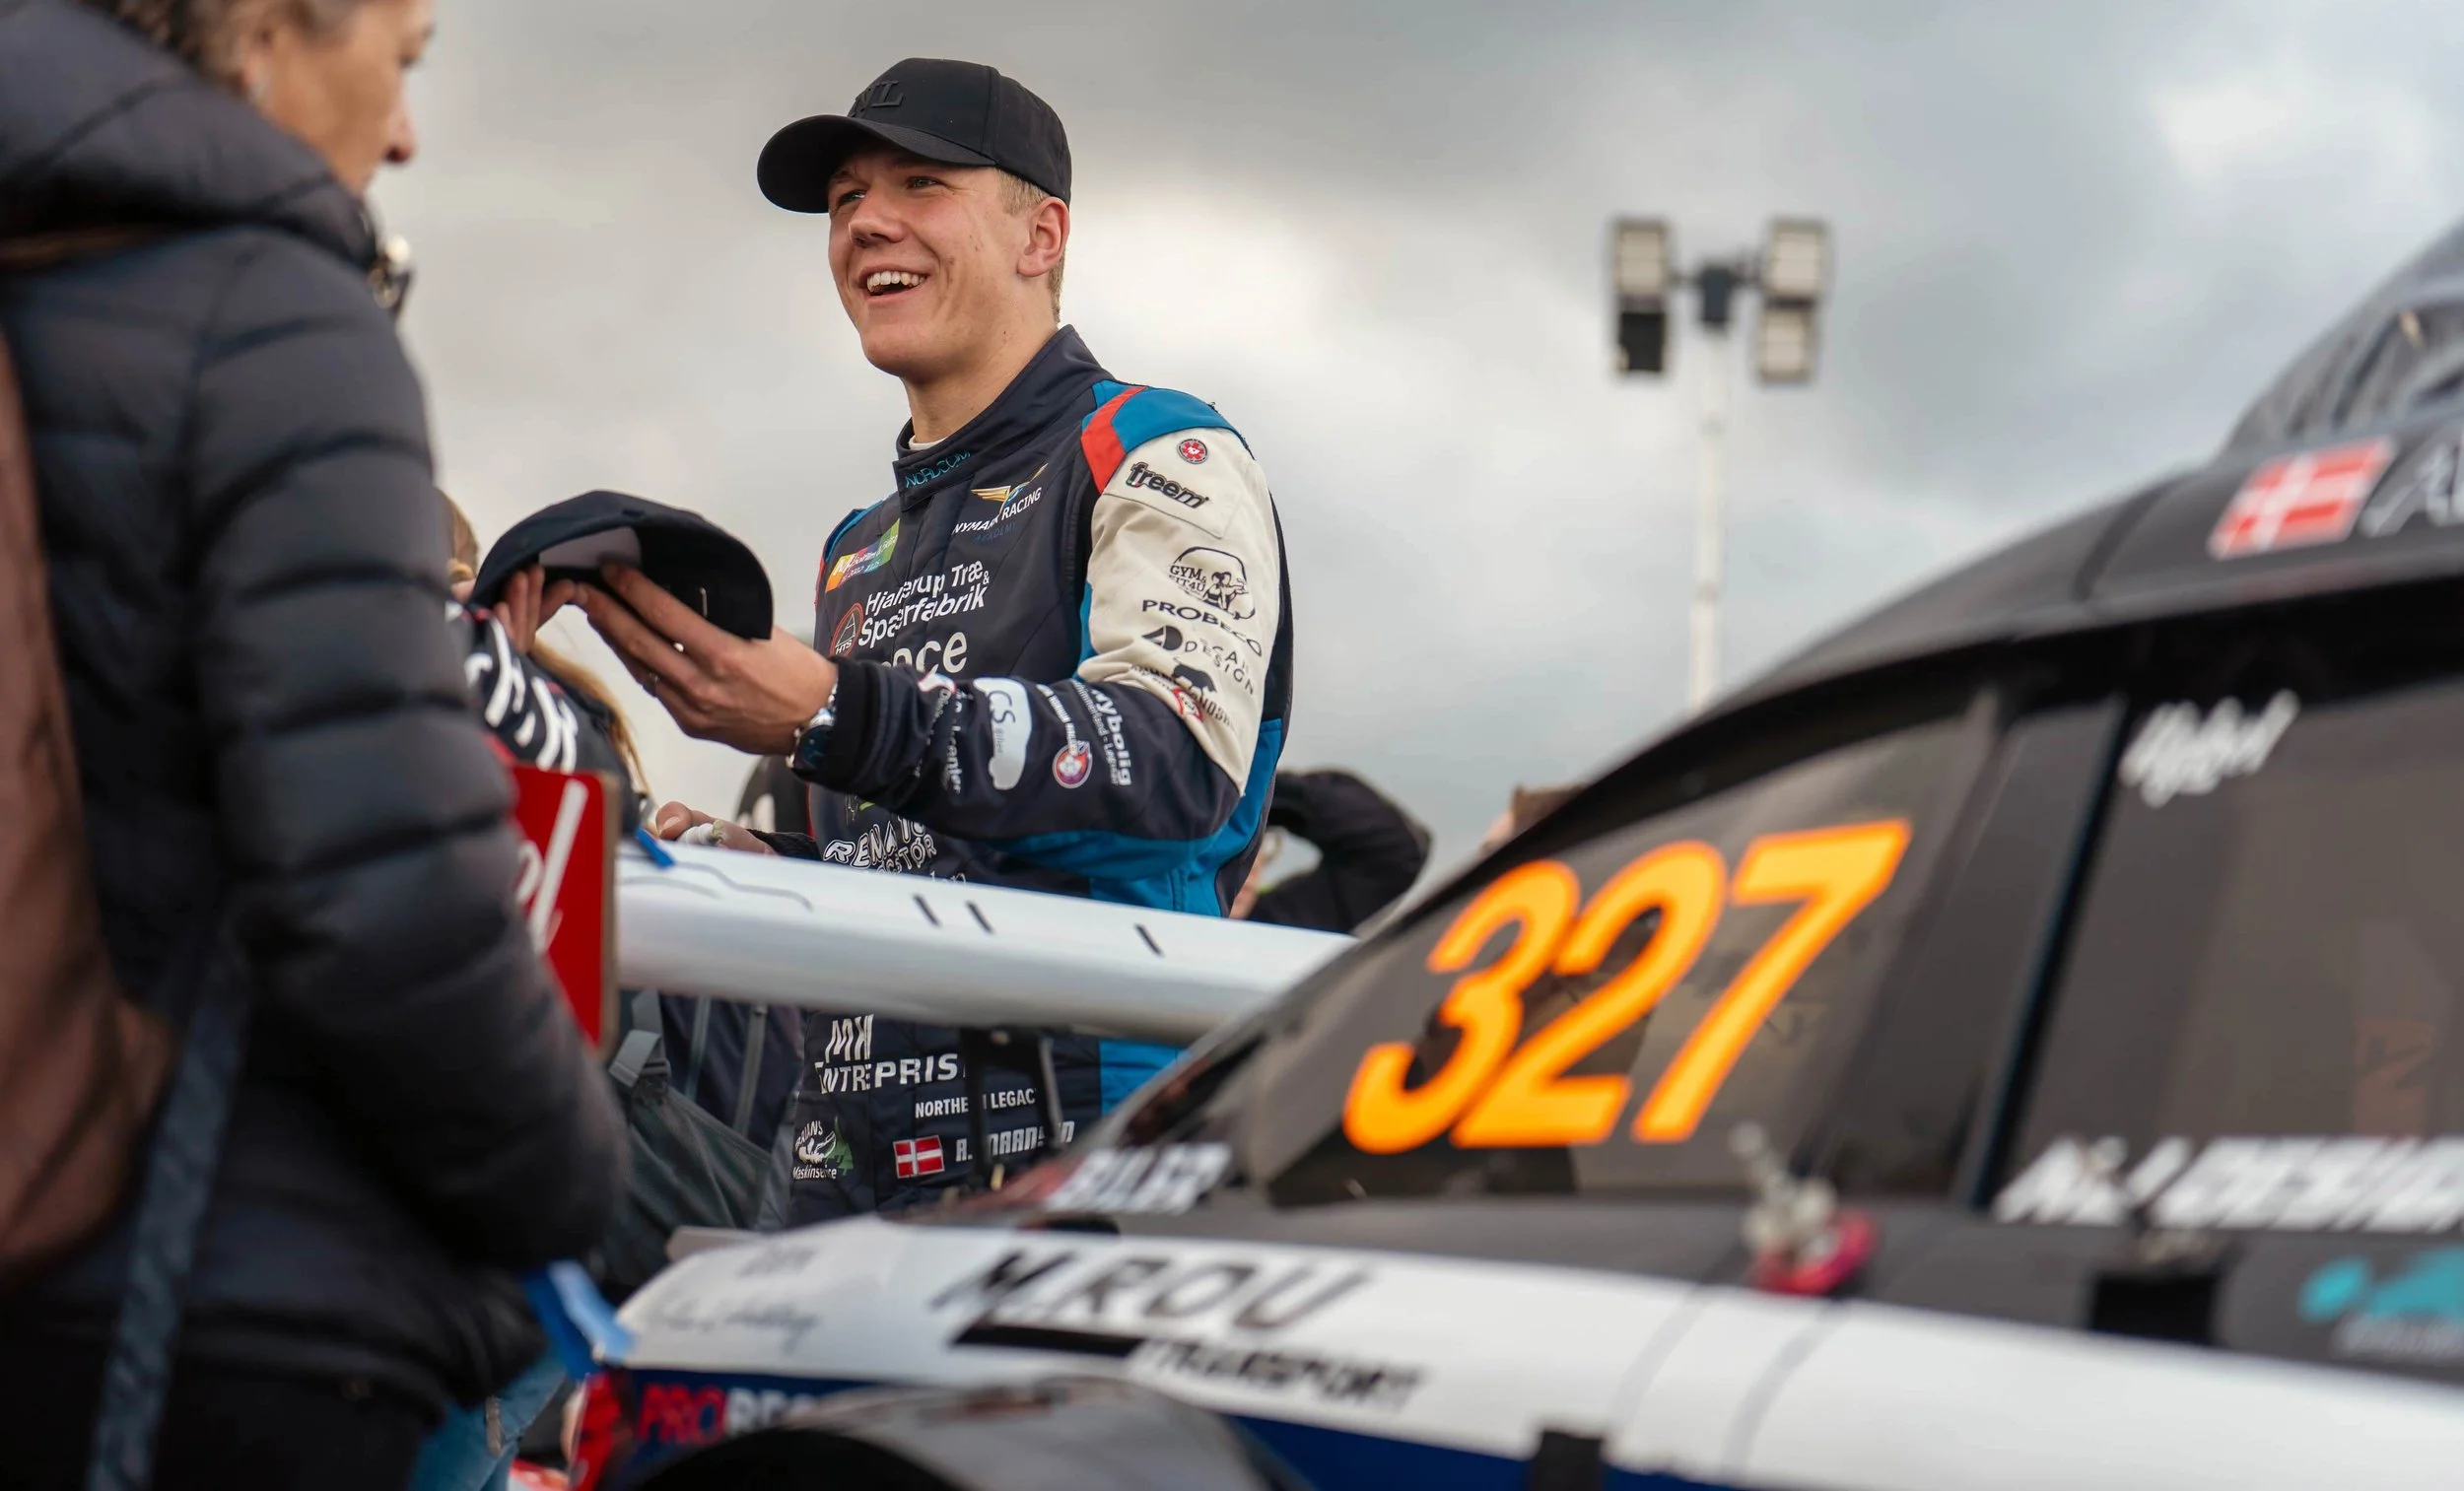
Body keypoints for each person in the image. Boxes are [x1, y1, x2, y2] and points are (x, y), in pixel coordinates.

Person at [0, 4, 625, 1489]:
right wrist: (573, 1177)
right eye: (401, 61)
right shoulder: (268, 315)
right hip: (211, 1289)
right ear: (268, 30)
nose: (402, 134)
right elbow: (387, 892)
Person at [572, 58, 1293, 1220]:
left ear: (1041, 235)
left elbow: (1170, 763)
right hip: (847, 1167)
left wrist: (831, 710)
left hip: (1092, 1158)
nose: (866, 222)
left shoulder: (1158, 446)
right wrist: (765, 872)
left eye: (920, 183)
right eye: (845, 198)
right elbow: (924, 856)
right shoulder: (857, 547)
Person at [1233, 770, 1430, 933]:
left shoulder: (1278, 926)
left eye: (1257, 843)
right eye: (1226, 840)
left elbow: (1393, 852)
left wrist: (1257, 794)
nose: (1250, 863)